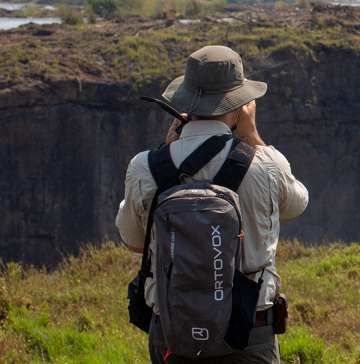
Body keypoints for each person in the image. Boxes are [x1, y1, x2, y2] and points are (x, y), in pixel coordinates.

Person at [116, 45, 309, 363]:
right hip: (249, 333)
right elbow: (295, 206)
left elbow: (135, 242)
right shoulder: (266, 163)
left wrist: (166, 152)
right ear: (240, 105)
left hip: (172, 333)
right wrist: (252, 136)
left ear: (185, 102)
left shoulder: (144, 167)